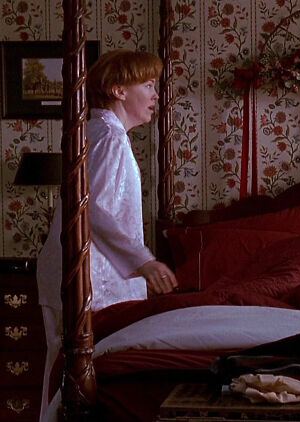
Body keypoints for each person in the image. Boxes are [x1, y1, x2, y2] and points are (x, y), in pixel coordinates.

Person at [36, 49, 178, 421]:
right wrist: (144, 262)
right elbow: (91, 209)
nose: (156, 95)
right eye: (148, 85)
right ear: (119, 90)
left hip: (82, 270)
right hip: (85, 274)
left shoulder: (100, 132)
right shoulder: (108, 137)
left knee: (64, 374)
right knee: (72, 376)